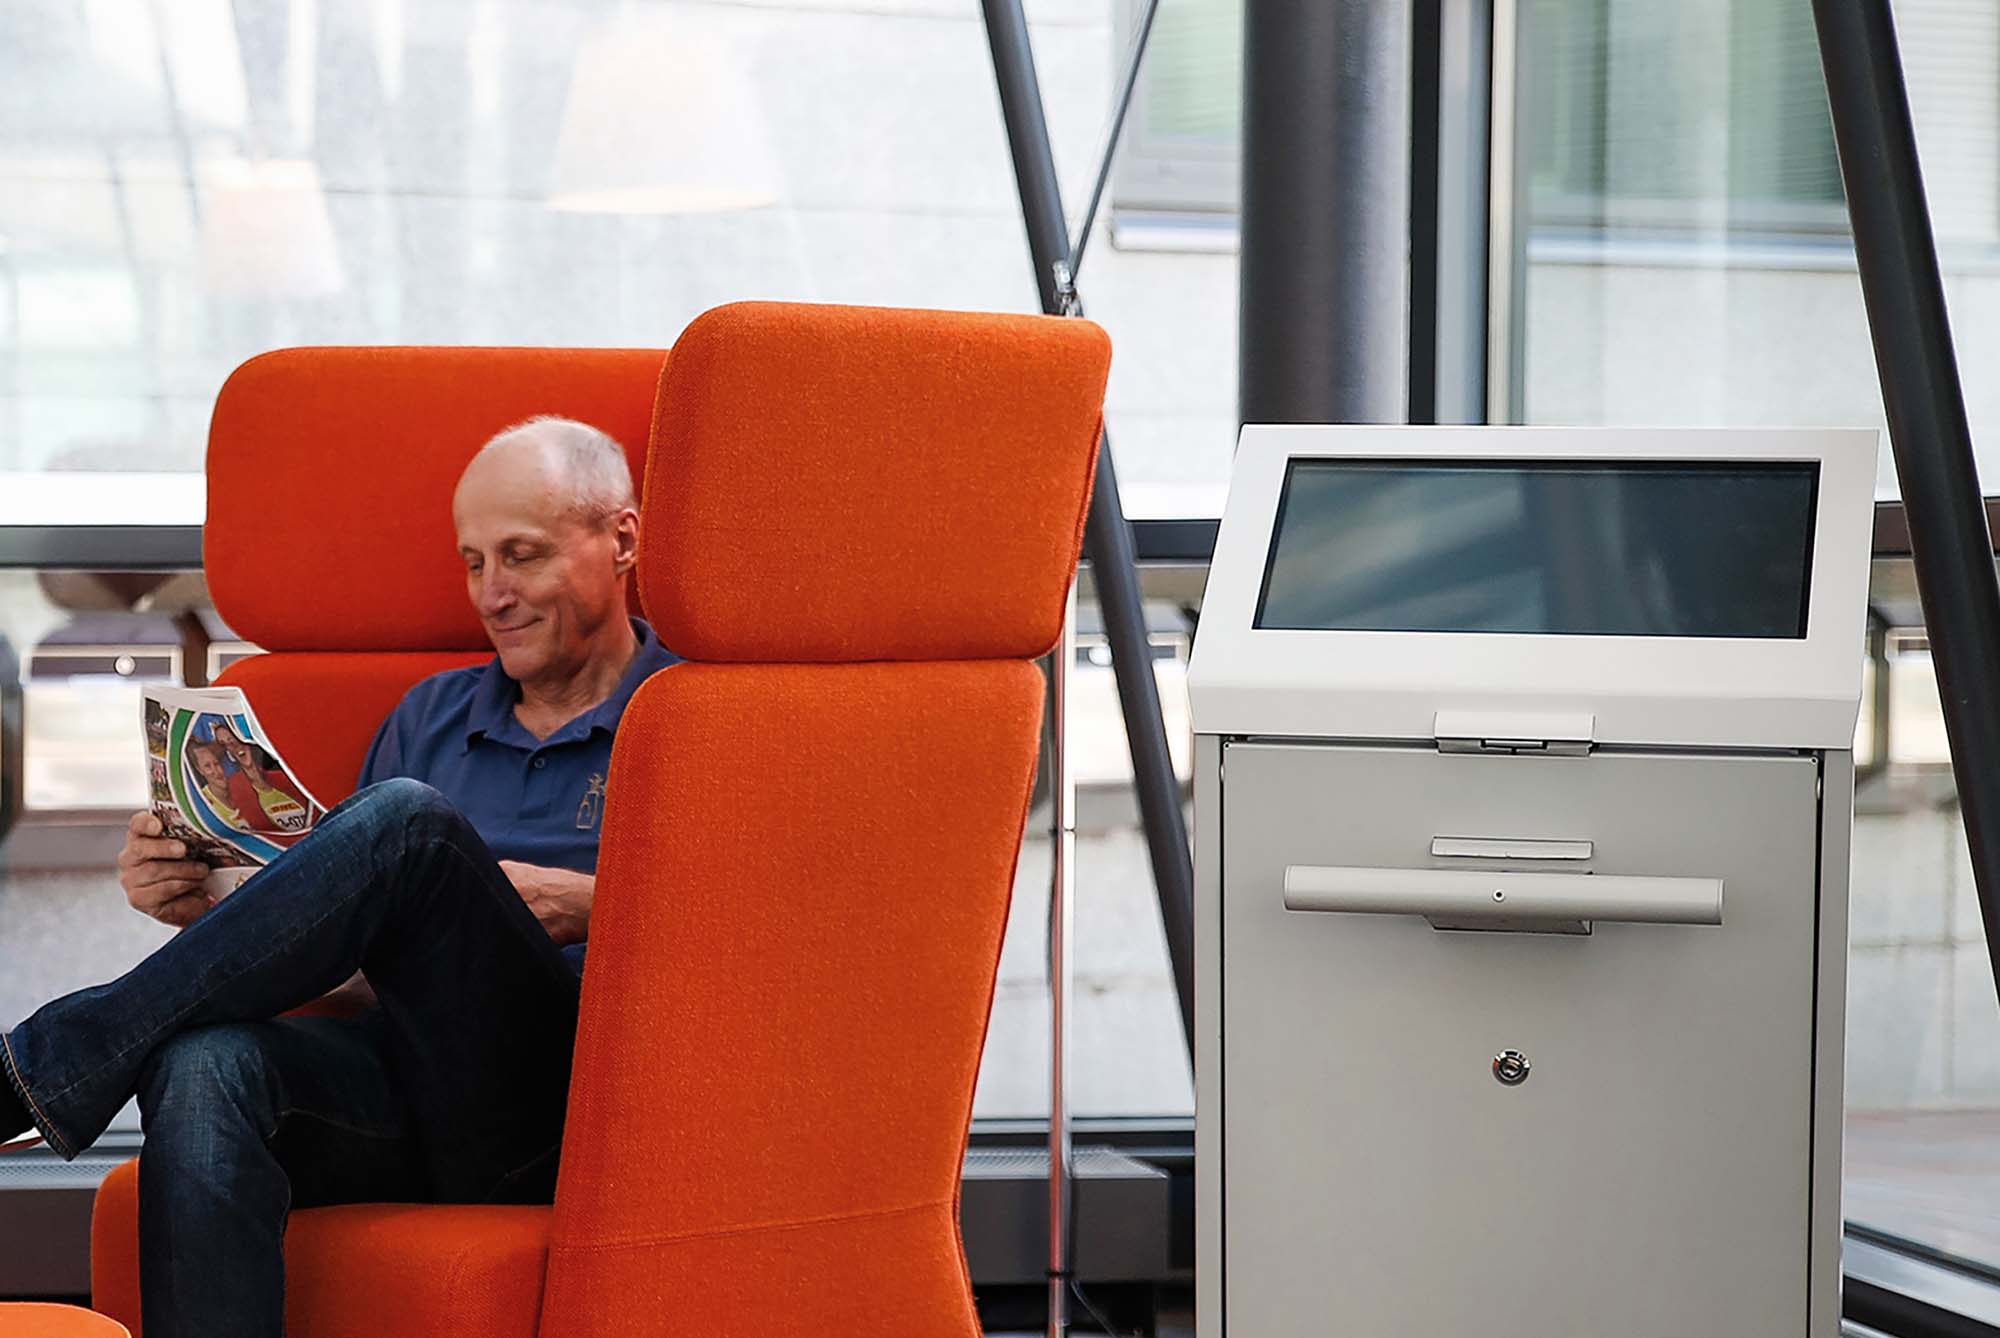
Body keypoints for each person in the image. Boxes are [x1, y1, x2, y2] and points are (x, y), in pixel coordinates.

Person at [0, 415, 678, 1338]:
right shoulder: (430, 716)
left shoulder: (689, 719)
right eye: (474, 563)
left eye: (522, 555)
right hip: (400, 1095)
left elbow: (780, 937)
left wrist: (587, 903)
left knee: (408, 823)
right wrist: (224, 908)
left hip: (565, 1114)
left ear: (623, 538)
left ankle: (41, 1067)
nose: (494, 593)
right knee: (205, 1067)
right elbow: (358, 968)